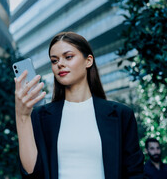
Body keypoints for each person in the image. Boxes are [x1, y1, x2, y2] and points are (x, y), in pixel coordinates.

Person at [15, 31, 144, 179]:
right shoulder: (41, 116)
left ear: (88, 61)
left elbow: (135, 173)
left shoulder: (121, 114)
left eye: (68, 57)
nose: (60, 64)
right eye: (54, 60)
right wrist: (22, 116)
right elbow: (32, 174)